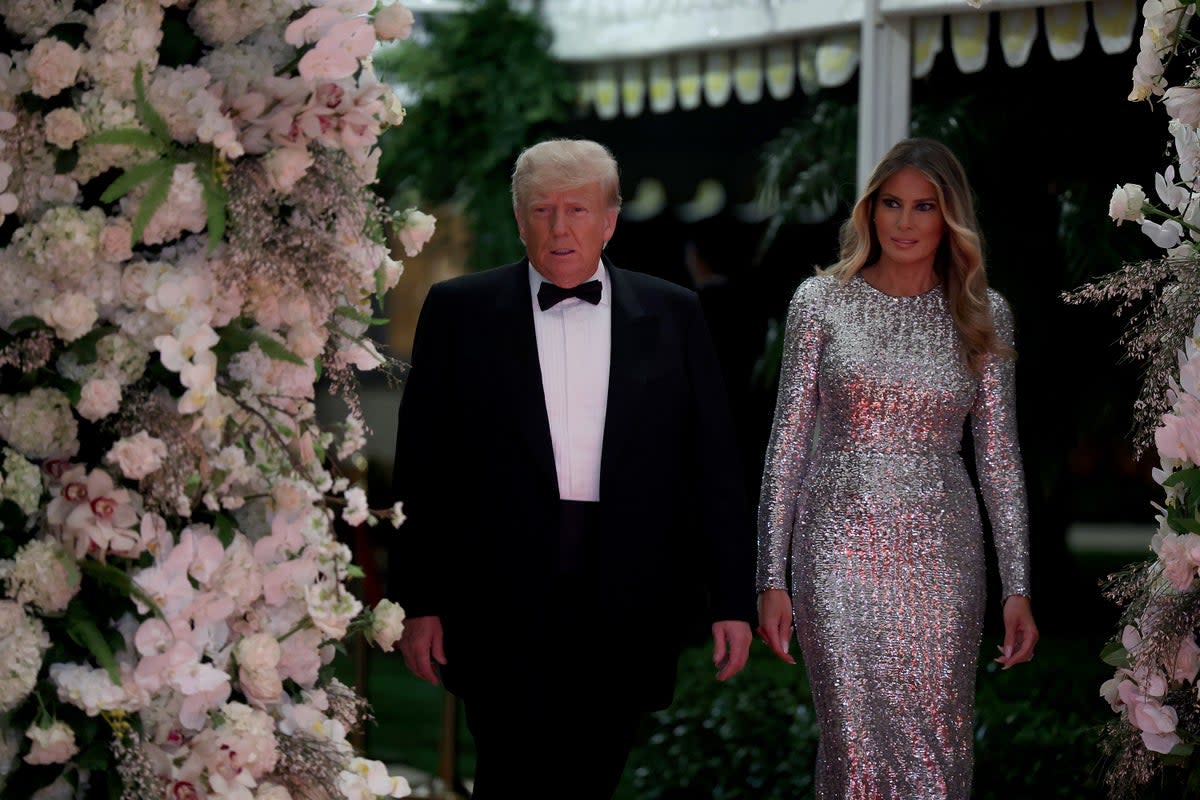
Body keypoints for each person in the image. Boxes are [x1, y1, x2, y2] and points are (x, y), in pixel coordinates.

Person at [391, 137, 755, 799]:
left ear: (610, 220)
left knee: (594, 776)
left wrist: (733, 598)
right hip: (498, 593)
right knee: (509, 775)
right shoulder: (458, 311)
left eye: (578, 210)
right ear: (519, 218)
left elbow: (713, 466)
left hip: (629, 591)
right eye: (543, 210)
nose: (560, 228)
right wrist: (420, 601)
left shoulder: (674, 313)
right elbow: (423, 468)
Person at [756, 137, 1038, 799]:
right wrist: (770, 574)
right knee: (853, 747)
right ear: (870, 209)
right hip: (836, 551)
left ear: (949, 219)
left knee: (937, 744)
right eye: (892, 204)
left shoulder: (983, 314)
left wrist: (1017, 585)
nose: (905, 222)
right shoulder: (819, 302)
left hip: (943, 555)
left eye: (924, 207)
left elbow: (999, 459)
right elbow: (787, 445)